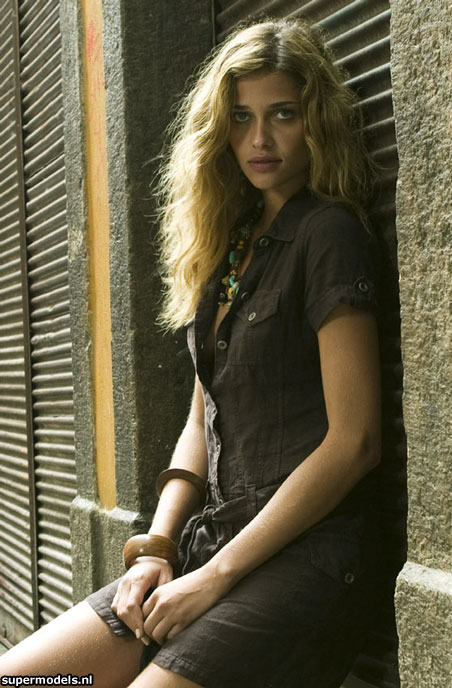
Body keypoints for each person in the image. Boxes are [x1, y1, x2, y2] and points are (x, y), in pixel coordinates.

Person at [0, 18, 381, 688]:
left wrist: (212, 579)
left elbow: (356, 443)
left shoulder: (328, 235)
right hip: (212, 542)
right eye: (240, 117)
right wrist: (157, 547)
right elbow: (200, 423)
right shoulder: (232, 247)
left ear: (315, 121)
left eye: (282, 114)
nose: (259, 140)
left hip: (306, 557)